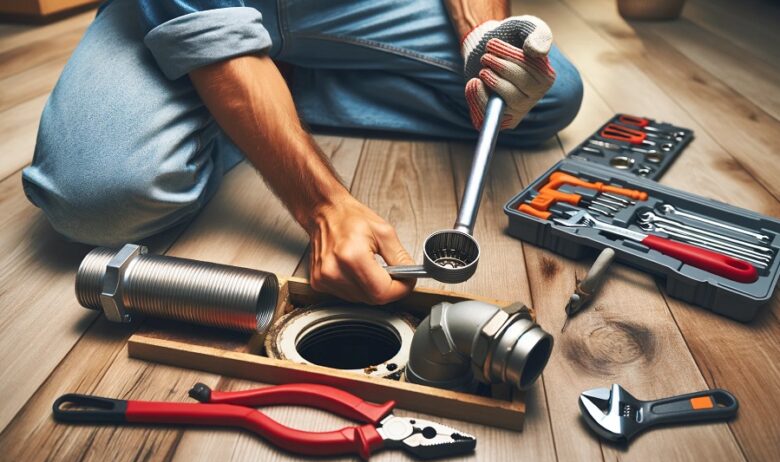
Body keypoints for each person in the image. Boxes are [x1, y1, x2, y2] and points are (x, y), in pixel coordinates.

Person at [22, 0, 583, 305]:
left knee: (545, 93)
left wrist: (482, 39)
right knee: (94, 197)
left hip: (337, 10)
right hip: (183, 6)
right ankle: (244, 99)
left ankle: (274, 92)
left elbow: (493, 45)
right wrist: (324, 206)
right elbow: (205, 19)